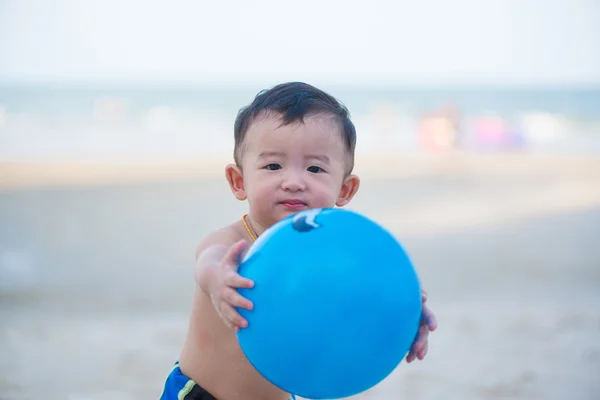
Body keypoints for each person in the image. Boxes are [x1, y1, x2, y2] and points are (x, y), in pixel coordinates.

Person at [159, 82, 438, 400]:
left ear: (344, 190)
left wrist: (404, 312)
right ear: (239, 181)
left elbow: (361, 299)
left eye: (315, 168)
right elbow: (207, 262)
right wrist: (218, 279)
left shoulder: (330, 258)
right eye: (273, 166)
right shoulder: (231, 243)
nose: (293, 182)